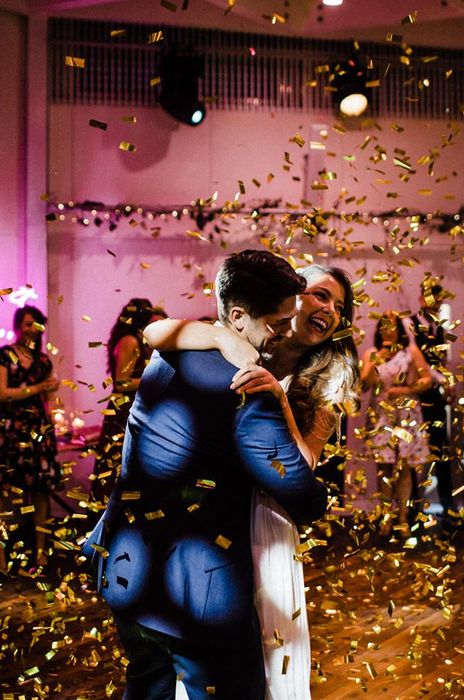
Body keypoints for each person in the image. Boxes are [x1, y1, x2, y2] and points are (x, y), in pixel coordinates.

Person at [84, 250, 330, 699]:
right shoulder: (247, 388)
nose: (281, 335)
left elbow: (159, 332)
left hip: (125, 568)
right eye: (276, 324)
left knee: (146, 689)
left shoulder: (168, 356)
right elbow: (303, 496)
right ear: (237, 316)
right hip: (197, 590)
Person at [143, 263, 360, 700]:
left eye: (339, 305)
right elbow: (155, 332)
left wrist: (278, 398)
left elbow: (303, 467)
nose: (330, 309)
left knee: (262, 654)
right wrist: (220, 336)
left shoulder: (327, 383)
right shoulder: (231, 343)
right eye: (320, 295)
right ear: (289, 300)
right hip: (204, 523)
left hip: (265, 523)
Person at [0, 305, 60, 571]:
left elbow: (46, 401)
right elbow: (2, 393)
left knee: (41, 492)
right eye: (27, 325)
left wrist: (50, 394)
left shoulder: (43, 360)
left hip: (38, 430)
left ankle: (40, 551)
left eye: (36, 326)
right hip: (11, 430)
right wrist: (37, 388)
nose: (31, 331)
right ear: (17, 327)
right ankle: (2, 554)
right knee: (6, 493)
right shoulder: (4, 356)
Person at [361, 311, 433, 535]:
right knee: (384, 468)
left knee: (403, 469)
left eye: (390, 325)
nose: (386, 329)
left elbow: (427, 379)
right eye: (382, 325)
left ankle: (402, 517)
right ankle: (386, 516)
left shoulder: (409, 352)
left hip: (406, 415)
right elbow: (363, 385)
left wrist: (405, 390)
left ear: (399, 329)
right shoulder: (372, 353)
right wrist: (377, 360)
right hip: (381, 415)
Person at [91, 298, 156, 507]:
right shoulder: (130, 341)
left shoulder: (136, 338)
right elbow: (120, 382)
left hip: (129, 407)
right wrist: (152, 378)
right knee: (117, 464)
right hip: (123, 410)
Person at [410, 280, 454, 520]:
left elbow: (442, 362)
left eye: (439, 300)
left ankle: (446, 507)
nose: (435, 304)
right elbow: (414, 361)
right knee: (414, 454)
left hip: (434, 395)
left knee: (440, 449)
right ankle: (412, 508)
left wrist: (447, 383)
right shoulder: (410, 324)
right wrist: (440, 379)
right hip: (415, 395)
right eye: (431, 299)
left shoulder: (440, 329)